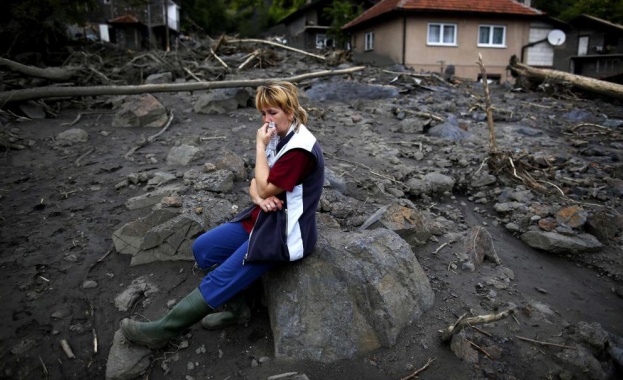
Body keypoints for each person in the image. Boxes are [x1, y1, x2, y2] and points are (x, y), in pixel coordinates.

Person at [120, 81, 325, 349]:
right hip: (264, 217)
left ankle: (162, 331)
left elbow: (262, 183)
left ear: (290, 109)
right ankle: (239, 309)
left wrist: (259, 149)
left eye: (272, 112)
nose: (266, 120)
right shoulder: (281, 136)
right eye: (263, 114)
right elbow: (255, 185)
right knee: (204, 248)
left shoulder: (299, 149)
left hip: (284, 233)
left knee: (220, 277)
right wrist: (258, 197)